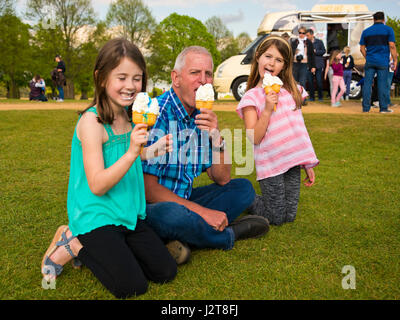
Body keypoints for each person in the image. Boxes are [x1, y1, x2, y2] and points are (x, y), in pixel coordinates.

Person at [41, 38, 177, 299]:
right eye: (122, 77)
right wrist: (133, 152)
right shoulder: (91, 122)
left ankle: (111, 248)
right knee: (132, 287)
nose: (131, 86)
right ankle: (73, 241)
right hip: (96, 216)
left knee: (165, 272)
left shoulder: (129, 116)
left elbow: (126, 158)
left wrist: (152, 150)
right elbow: (98, 184)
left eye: (137, 78)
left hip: (126, 213)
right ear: (101, 78)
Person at [141, 46, 269, 263]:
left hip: (184, 198)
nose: (203, 80)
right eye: (194, 73)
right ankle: (228, 235)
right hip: (153, 207)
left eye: (208, 74)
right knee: (173, 216)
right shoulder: (156, 113)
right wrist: (203, 212)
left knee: (243, 189)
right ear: (176, 78)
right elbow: (147, 188)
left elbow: (222, 178)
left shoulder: (202, 116)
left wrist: (216, 137)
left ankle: (184, 238)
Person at [236, 36, 319, 226]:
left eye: (279, 60)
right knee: (275, 219)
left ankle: (268, 201)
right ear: (258, 56)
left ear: (284, 65)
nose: (272, 63)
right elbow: (254, 137)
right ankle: (246, 197)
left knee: (289, 216)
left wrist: (306, 162)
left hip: (292, 161)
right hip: (270, 163)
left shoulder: (292, 91)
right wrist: (266, 109)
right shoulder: (251, 97)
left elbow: (299, 130)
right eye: (268, 56)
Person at [360, 11, 397, 113]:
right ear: (383, 19)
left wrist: (368, 57)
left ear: (373, 19)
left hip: (370, 61)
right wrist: (395, 60)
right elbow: (392, 46)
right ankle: (383, 108)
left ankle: (366, 108)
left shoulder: (366, 31)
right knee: (382, 85)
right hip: (382, 62)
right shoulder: (388, 30)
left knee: (367, 84)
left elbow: (362, 48)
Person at [290, 26, 316, 104]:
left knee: (302, 82)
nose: (301, 34)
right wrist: (295, 52)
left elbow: (312, 55)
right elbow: (290, 52)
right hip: (295, 64)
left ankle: (302, 100)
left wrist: (313, 66)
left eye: (303, 33)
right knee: (294, 82)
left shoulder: (308, 42)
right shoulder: (295, 42)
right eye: (300, 33)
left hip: (304, 64)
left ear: (305, 33)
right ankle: (294, 99)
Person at [306, 29, 326, 101]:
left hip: (318, 64)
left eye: (308, 35)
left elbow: (324, 51)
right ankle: (312, 97)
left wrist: (316, 51)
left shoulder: (319, 42)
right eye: (306, 35)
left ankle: (320, 97)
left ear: (312, 35)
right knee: (310, 81)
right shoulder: (306, 43)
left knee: (319, 81)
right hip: (309, 64)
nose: (307, 37)